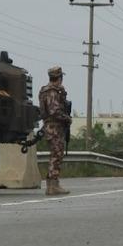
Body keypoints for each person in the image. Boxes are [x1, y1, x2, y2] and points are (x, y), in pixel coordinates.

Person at [39, 66, 72, 195]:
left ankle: (52, 184)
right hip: (54, 126)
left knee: (56, 154)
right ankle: (53, 184)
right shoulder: (52, 92)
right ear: (59, 78)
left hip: (50, 126)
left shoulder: (45, 91)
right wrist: (67, 118)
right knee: (56, 155)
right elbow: (54, 111)